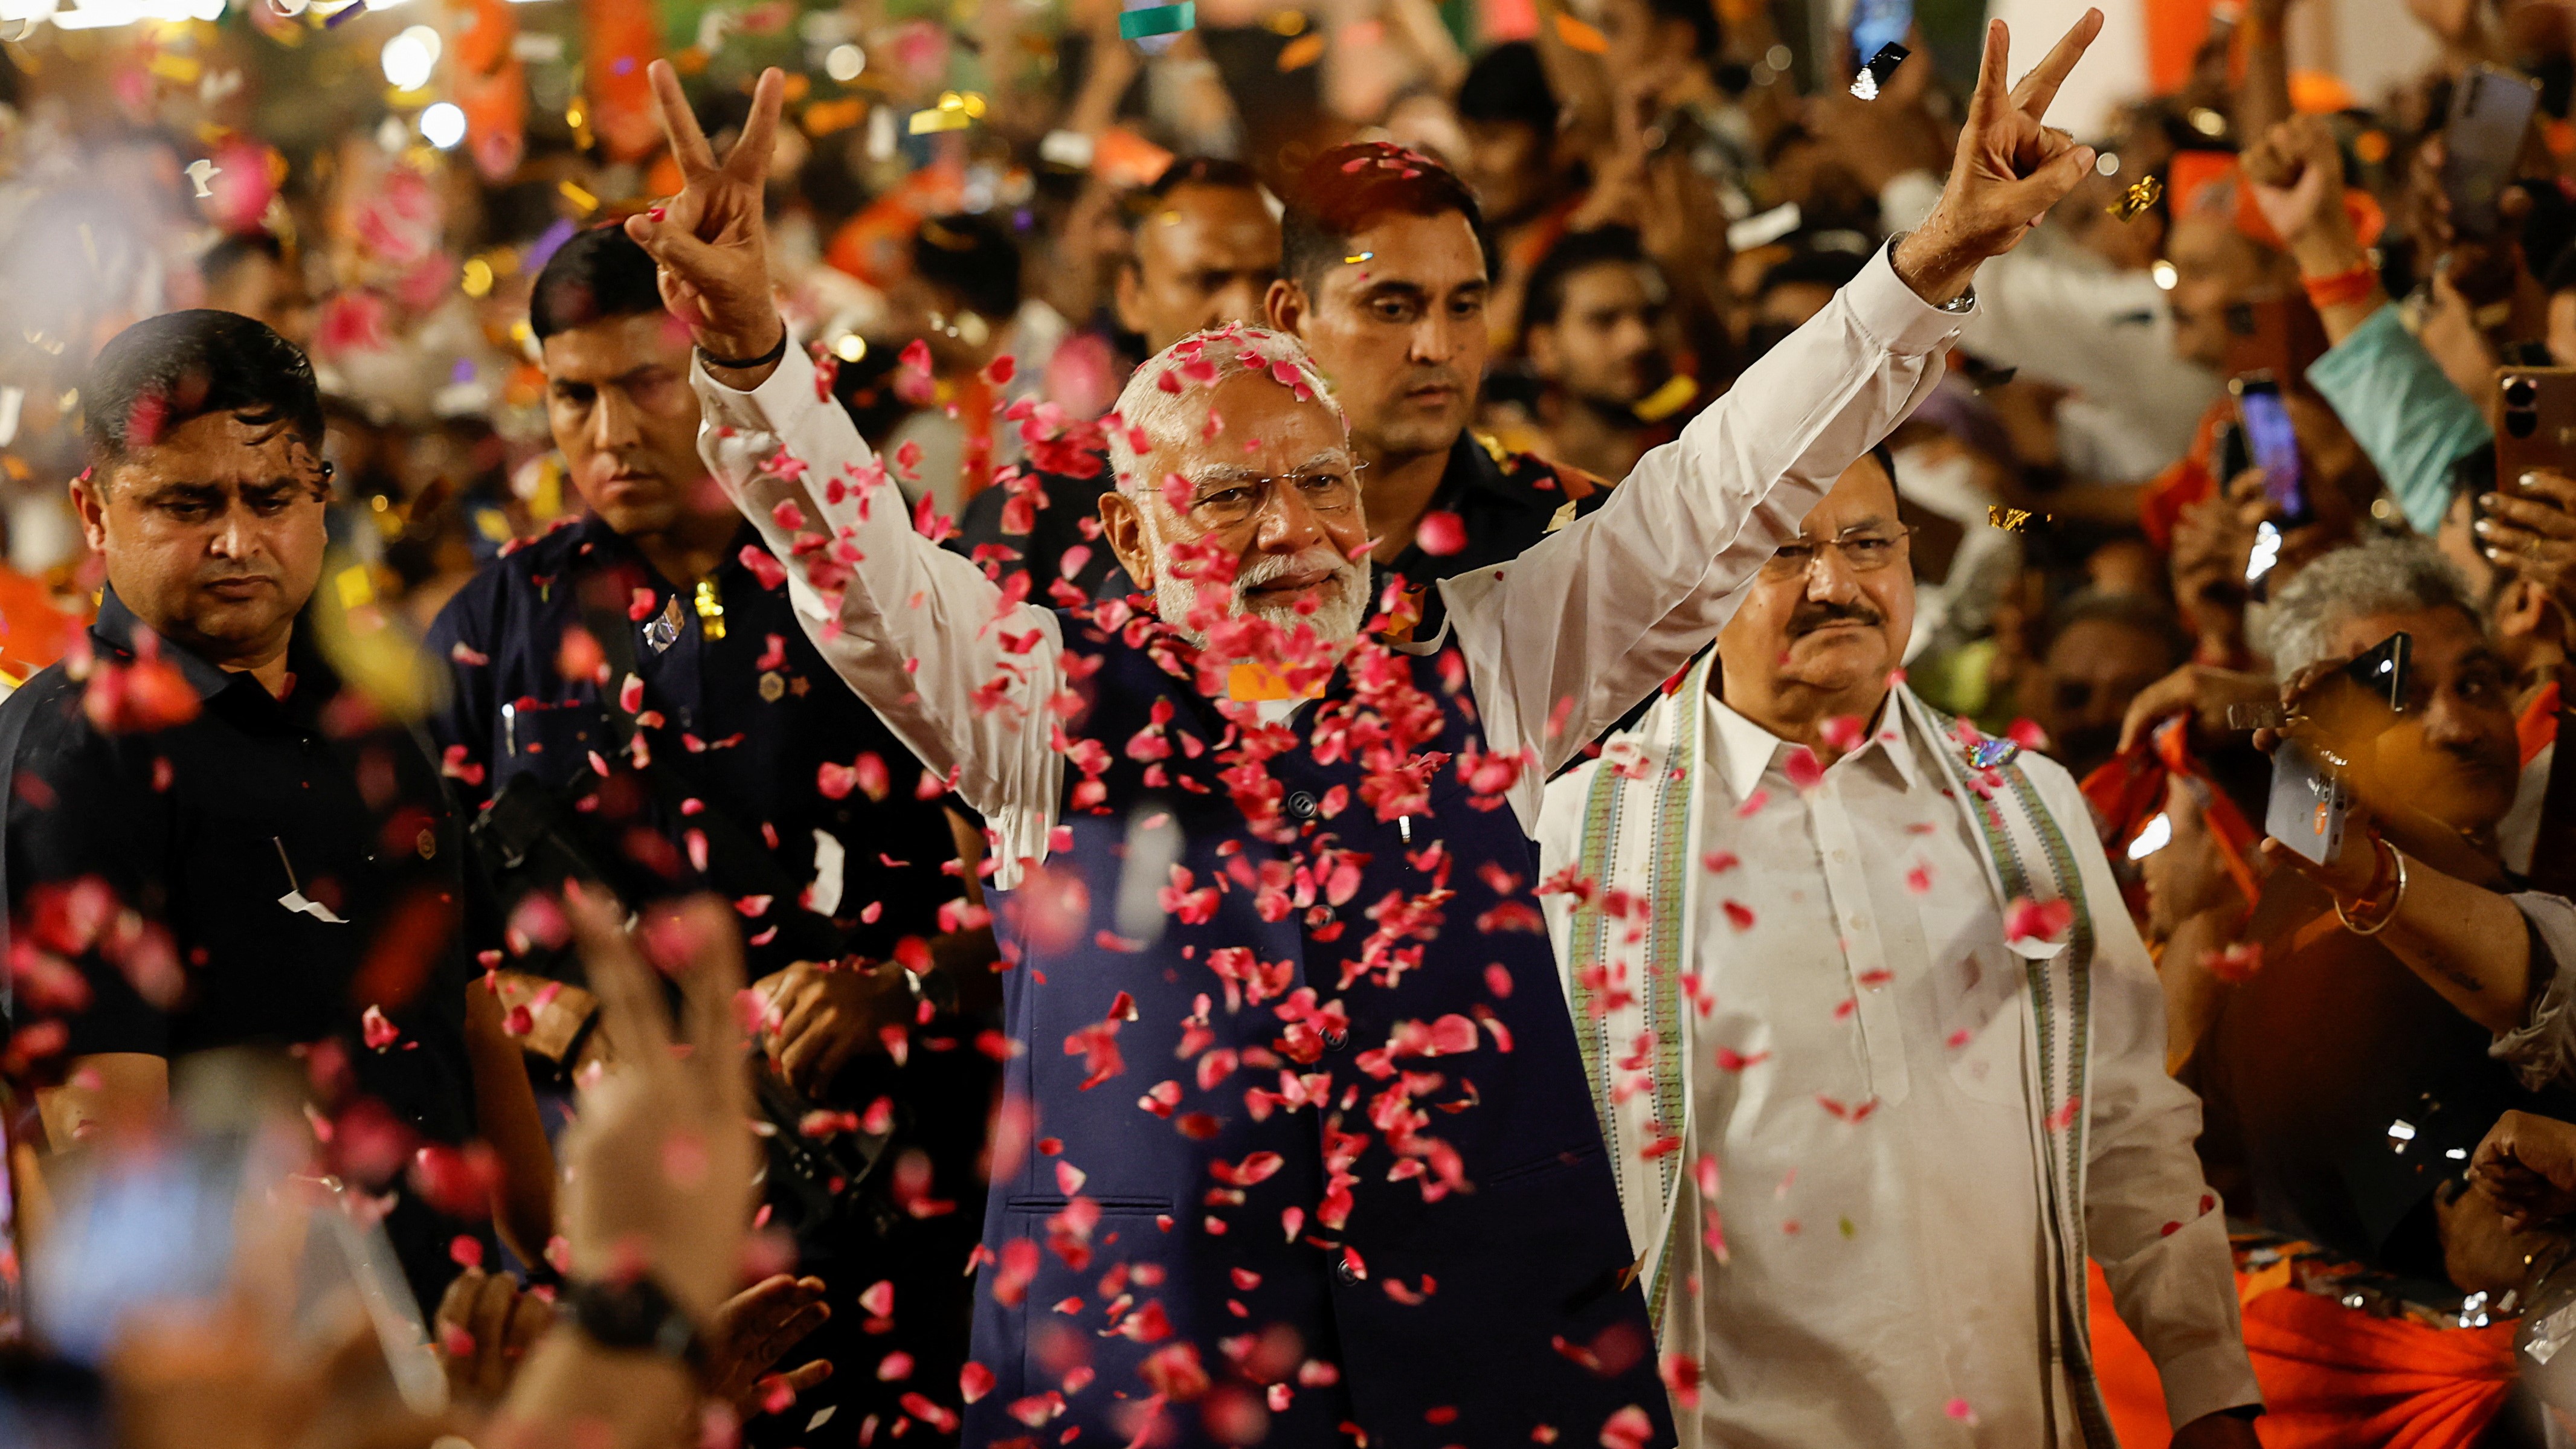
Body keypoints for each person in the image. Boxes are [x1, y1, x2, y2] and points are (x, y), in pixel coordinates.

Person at [616, 4, 2111, 1436]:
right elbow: (858, 573)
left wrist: (1925, 266)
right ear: (1130, 547)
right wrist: (754, 356)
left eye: (1322, 481)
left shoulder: (1497, 652)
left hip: (1497, 1351)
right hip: (1148, 1369)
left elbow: (1722, 485)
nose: (1294, 528)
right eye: (1228, 493)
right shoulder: (1033, 706)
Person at [1538, 449, 2262, 1448]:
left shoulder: (2023, 804)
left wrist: (2207, 1386)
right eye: (1782, 549)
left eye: (1868, 543)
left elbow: (2126, 1124)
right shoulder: (1578, 834)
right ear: (1696, 577)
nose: (1834, 583)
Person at [422, 225, 995, 1439]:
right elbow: (424, 943)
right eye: (572, 394)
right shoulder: (496, 622)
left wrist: (892, 985)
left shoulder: (861, 586)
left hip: (896, 1191)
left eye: (644, 382)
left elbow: (1022, 889)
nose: (609, 430)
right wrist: (575, 1026)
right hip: (624, 1223)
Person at [0, 309, 552, 1311]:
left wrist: (574, 1290)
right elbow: (100, 1145)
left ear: (322, 496)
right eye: (184, 502)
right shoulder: (78, 755)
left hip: (448, 1349)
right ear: (93, 510)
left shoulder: (371, 720)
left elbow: (467, 1026)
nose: (235, 539)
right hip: (252, 1373)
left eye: (271, 496)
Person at [2180, 536, 2576, 1300]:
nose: (2457, 726)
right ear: (2313, 730)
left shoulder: (2499, 882)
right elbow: (2491, 1246)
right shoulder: (2329, 970)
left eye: (2477, 682)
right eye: (2400, 697)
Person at [1265, 140, 1613, 592]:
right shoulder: (1219, 537)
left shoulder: (1583, 531)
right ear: (1292, 317)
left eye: (1464, 306)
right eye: (1391, 309)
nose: (1438, 347)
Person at [952, 156, 1281, 601]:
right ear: (1132, 298)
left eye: (1270, 280)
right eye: (1207, 280)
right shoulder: (1040, 508)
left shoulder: (1342, 485)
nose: (1246, 314)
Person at [1521, 226, 1684, 481]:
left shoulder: (1703, 453)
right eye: (1604, 321)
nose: (1639, 340)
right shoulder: (1509, 479)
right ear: (1545, 347)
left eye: (1651, 316)